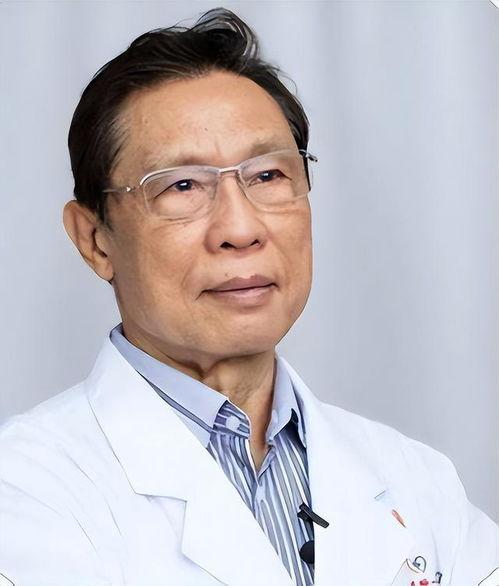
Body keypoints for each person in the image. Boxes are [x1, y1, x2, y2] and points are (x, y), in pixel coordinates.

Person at [0, 7, 497, 586]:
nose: (241, 229)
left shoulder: (417, 478)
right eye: (182, 185)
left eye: (267, 175)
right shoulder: (26, 489)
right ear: (94, 239)